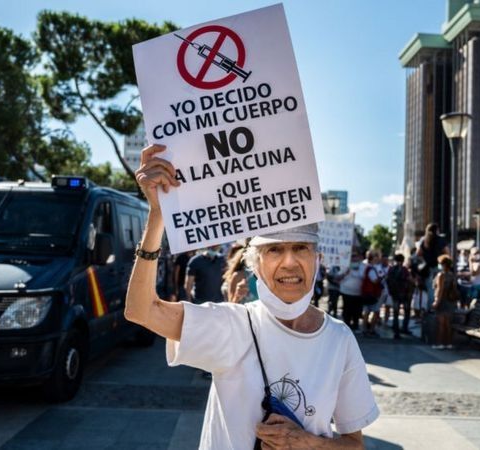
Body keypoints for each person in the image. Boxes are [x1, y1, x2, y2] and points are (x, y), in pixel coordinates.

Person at [124, 144, 379, 448]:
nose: (289, 262)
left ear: (317, 260)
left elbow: (354, 443)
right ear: (254, 264)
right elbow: (141, 310)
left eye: (300, 248)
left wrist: (306, 442)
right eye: (274, 250)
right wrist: (157, 216)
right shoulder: (232, 324)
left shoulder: (339, 339)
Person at [416, 223, 449, 304]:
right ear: (436, 230)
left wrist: (425, 257)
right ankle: (437, 303)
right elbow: (447, 253)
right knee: (439, 286)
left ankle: (429, 306)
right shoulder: (440, 239)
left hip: (427, 267)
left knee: (430, 287)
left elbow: (418, 254)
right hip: (439, 265)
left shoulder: (423, 240)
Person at [432, 255, 459, 349]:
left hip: (442, 301)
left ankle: (440, 343)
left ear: (443, 264)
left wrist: (436, 302)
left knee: (441, 324)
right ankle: (449, 343)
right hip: (450, 301)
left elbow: (440, 289)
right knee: (448, 324)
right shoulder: (452, 275)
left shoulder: (441, 275)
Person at [386, 253, 413, 339]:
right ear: (402, 260)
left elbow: (387, 280)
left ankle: (396, 331)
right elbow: (410, 280)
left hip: (395, 294)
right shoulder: (404, 270)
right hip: (404, 294)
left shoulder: (391, 269)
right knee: (406, 312)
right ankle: (404, 328)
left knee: (396, 313)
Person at [338, 252, 365, 332]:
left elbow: (365, 277)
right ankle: (346, 327)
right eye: (352, 256)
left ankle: (355, 326)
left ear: (359, 257)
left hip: (358, 293)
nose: (354, 258)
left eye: (356, 256)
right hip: (346, 292)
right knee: (347, 310)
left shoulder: (363, 266)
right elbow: (338, 277)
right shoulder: (345, 265)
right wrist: (346, 272)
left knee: (356, 311)